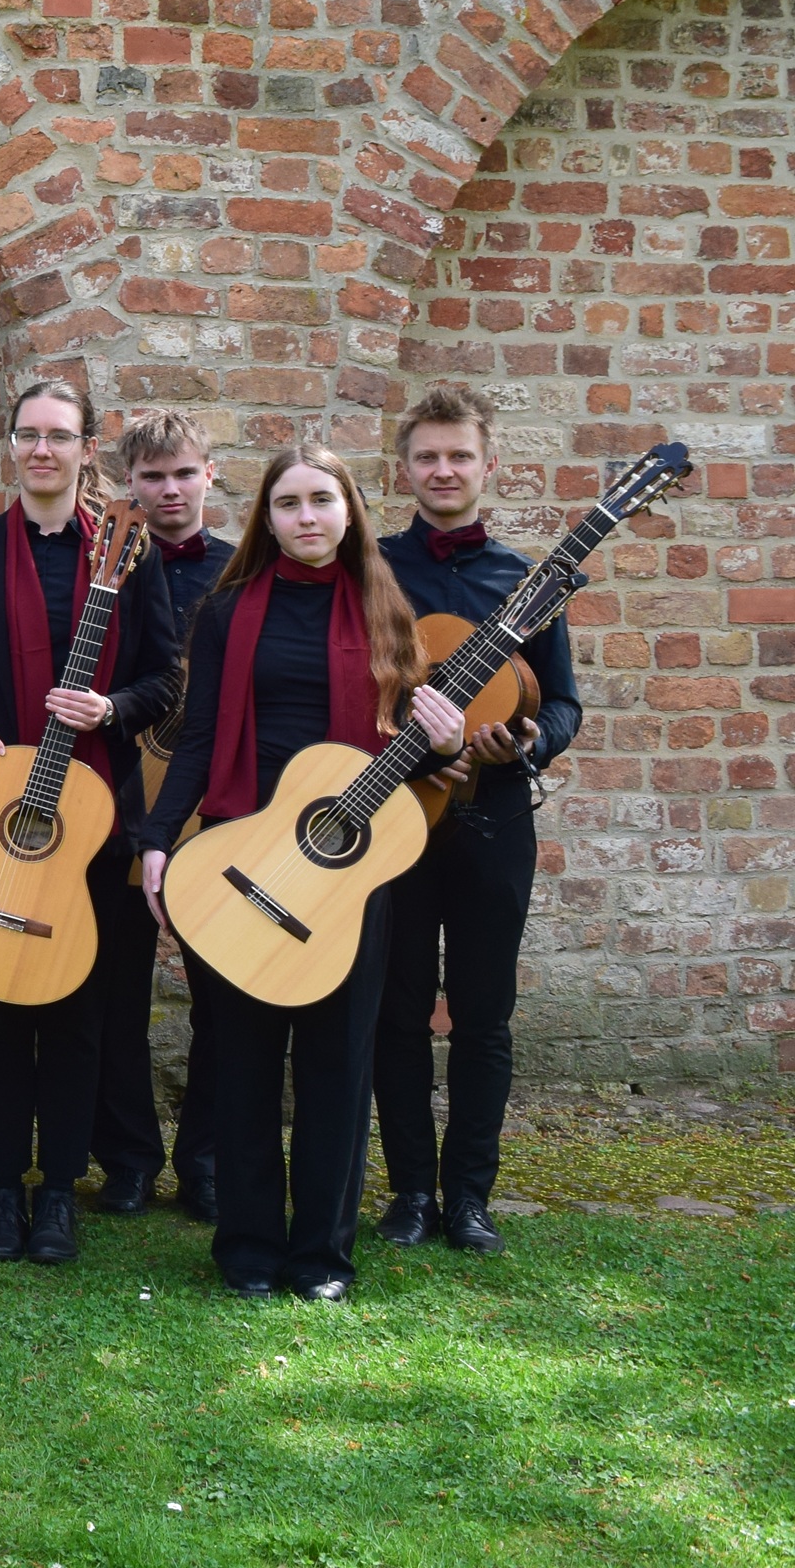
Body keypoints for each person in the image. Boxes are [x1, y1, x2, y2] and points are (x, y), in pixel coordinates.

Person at [137, 445, 465, 1301]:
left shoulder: (391, 610)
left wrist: (453, 743)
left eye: (322, 500)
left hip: (346, 868)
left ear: (350, 511)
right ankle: (246, 1247)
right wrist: (159, 839)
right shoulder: (227, 610)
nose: (307, 517)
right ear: (267, 517)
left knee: (335, 1066)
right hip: (242, 858)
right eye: (289, 503)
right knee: (240, 1062)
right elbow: (198, 736)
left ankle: (321, 1254)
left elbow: (411, 758)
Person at [0, 376, 176, 1267]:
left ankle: (58, 1192)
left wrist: (110, 709)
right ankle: (4, 1189)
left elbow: (168, 682)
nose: (44, 450)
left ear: (88, 449)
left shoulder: (129, 555)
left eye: (62, 436)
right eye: (29, 435)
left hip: (89, 821)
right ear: (9, 444)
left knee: (76, 1013)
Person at [371, 384, 579, 1257]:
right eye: (428, 456)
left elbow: (565, 705)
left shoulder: (527, 583)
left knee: (485, 1013)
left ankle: (470, 1198)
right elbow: (357, 698)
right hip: (401, 816)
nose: (444, 469)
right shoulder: (373, 569)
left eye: (459, 455)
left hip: (495, 819)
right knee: (399, 1006)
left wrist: (524, 746)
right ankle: (411, 1193)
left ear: (489, 465)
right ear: (406, 468)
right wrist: (416, 750)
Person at [107, 408, 234, 1222]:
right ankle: (124, 1159)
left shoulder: (243, 572)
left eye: (183, 473)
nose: (168, 490)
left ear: (209, 475)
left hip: (217, 800)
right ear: (130, 485)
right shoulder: (109, 564)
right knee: (114, 985)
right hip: (123, 794)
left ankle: (209, 1160)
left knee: (221, 991)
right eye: (152, 477)